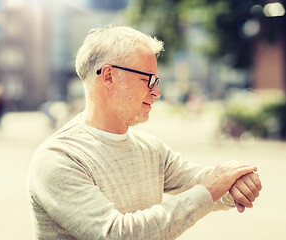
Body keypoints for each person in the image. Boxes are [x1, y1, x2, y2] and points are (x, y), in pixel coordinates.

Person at [27, 26, 262, 240]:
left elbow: (202, 182)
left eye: (156, 80)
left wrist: (237, 182)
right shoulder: (58, 157)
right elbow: (117, 235)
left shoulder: (151, 149)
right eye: (148, 79)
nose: (157, 91)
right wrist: (211, 189)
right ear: (108, 76)